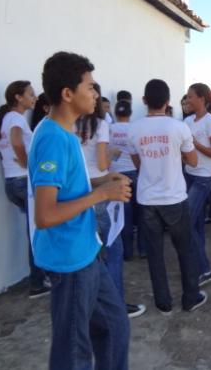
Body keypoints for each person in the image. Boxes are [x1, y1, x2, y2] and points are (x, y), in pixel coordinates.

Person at [28, 51, 131, 369]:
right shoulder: (53, 140)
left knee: (115, 326)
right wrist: (102, 193)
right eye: (90, 87)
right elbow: (45, 215)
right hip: (70, 261)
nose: (96, 94)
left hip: (86, 253)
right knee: (73, 353)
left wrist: (101, 180)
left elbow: (68, 187)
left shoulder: (65, 135)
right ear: (68, 94)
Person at [128, 79, 207, 314]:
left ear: (144, 101)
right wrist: (175, 155)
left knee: (155, 253)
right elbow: (193, 161)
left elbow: (137, 164)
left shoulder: (134, 128)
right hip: (174, 198)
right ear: (168, 101)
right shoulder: (179, 127)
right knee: (185, 249)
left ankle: (163, 302)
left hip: (147, 199)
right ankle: (190, 297)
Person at [76, 84, 145, 320]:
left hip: (76, 192)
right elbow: (103, 164)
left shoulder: (68, 124)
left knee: (89, 252)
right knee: (113, 249)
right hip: (99, 190)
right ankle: (115, 305)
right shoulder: (100, 124)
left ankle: (91, 305)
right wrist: (113, 153)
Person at [0, 80, 48, 298]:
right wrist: (27, 164)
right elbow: (16, 141)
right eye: (30, 94)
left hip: (12, 182)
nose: (34, 98)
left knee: (36, 230)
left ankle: (42, 275)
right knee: (37, 232)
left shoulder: (6, 118)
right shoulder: (15, 119)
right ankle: (38, 282)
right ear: (18, 97)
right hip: (23, 181)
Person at [184, 83, 211, 287]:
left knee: (186, 223)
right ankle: (198, 265)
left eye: (190, 97)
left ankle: (205, 269)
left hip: (203, 178)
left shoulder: (210, 122)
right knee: (196, 225)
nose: (187, 100)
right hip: (189, 175)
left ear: (202, 98)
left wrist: (195, 145)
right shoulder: (188, 120)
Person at [110, 100, 146, 261]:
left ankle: (128, 252)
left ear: (116, 112)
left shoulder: (109, 129)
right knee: (142, 214)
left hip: (117, 176)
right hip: (135, 172)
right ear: (130, 113)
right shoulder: (135, 129)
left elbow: (108, 152)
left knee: (124, 217)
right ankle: (143, 250)